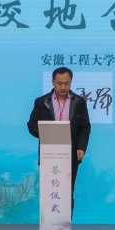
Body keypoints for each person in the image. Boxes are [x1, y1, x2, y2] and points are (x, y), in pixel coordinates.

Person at [27, 66, 91, 210]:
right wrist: (49, 133)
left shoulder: (79, 102)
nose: (63, 87)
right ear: (53, 82)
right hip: (49, 153)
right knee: (49, 192)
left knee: (67, 192)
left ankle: (65, 223)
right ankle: (49, 223)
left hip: (71, 153)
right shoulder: (41, 102)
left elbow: (85, 127)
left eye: (66, 83)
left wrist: (81, 147)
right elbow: (32, 125)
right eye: (59, 83)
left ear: (71, 82)